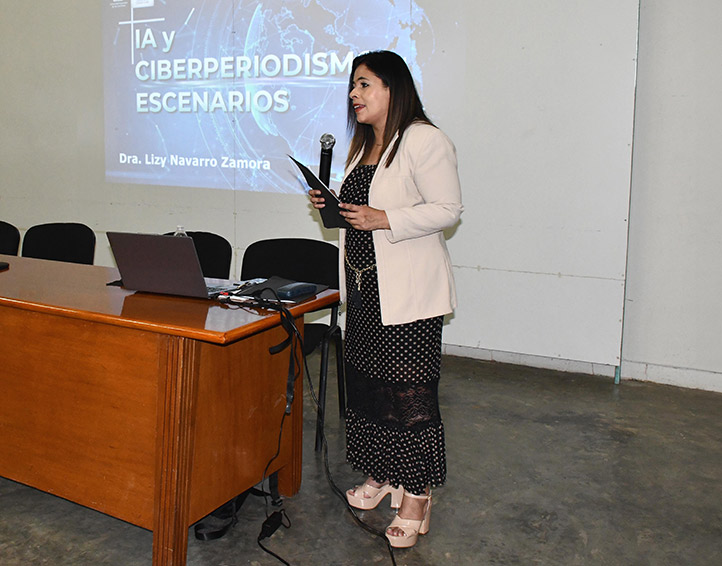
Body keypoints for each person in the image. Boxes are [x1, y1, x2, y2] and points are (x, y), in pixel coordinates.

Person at [309, 50, 462, 548]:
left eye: (364, 84)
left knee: (408, 394)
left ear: (392, 88)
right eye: (352, 86)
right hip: (365, 290)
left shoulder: (424, 138)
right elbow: (359, 214)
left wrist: (384, 219)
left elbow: (447, 209)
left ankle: (416, 494)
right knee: (369, 386)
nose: (354, 94)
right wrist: (331, 208)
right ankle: (381, 472)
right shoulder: (364, 146)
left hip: (408, 294)